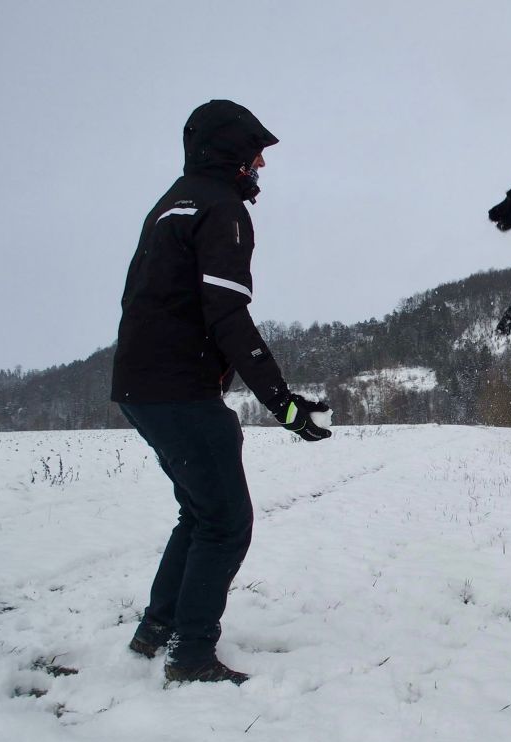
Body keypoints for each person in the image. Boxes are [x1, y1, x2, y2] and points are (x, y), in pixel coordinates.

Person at [111, 100, 331, 685]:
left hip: (139, 384)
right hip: (180, 389)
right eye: (255, 151)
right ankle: (191, 655)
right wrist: (282, 401)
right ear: (228, 151)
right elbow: (227, 314)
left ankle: (157, 627)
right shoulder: (223, 208)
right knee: (227, 522)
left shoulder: (170, 203)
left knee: (200, 511)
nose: (262, 163)